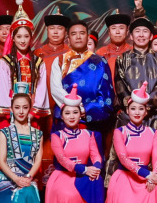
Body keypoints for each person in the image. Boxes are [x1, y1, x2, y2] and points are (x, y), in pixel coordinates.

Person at [23, 86, 109, 203]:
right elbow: (63, 160)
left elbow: (96, 156)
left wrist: (96, 168)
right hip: (64, 176)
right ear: (62, 116)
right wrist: (85, 170)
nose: (71, 116)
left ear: (80, 115)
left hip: (85, 175)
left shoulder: (89, 135)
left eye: (75, 112)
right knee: (70, 195)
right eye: (67, 113)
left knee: (97, 180)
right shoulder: (57, 136)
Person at [113, 15, 157, 187]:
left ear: (151, 36)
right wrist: (134, 107)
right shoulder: (122, 59)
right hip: (129, 115)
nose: (141, 35)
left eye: (145, 31)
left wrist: (145, 106)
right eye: (137, 31)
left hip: (153, 115)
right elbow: (120, 86)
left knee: (156, 154)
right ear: (131, 36)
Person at [48, 21, 117, 154]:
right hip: (65, 119)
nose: (78, 37)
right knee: (65, 158)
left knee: (93, 160)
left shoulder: (100, 61)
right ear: (68, 39)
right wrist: (75, 109)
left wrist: (86, 109)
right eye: (74, 34)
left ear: (87, 36)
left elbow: (107, 96)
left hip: (92, 121)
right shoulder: (60, 61)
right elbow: (55, 90)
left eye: (82, 33)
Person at [107, 86, 157, 203]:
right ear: (127, 111)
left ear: (146, 112)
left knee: (156, 190)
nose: (137, 112)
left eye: (141, 109)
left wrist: (153, 177)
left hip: (146, 180)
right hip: (125, 178)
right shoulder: (119, 132)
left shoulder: (153, 133)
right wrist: (147, 174)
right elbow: (123, 159)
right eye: (133, 109)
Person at [0, 5, 50, 126]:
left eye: (26, 36)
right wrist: (14, 112)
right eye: (19, 36)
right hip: (10, 117)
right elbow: (3, 90)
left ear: (31, 38)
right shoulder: (5, 62)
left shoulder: (38, 62)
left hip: (32, 117)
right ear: (13, 38)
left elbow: (41, 90)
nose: (23, 40)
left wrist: (32, 113)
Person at [0, 93, 47, 203]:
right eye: (17, 107)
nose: (21, 111)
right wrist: (16, 179)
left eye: (25, 107)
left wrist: (28, 178)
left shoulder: (38, 134)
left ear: (30, 109)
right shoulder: (4, 133)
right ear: (11, 109)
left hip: (27, 179)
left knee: (27, 191)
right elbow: (2, 162)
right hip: (6, 180)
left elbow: (38, 160)